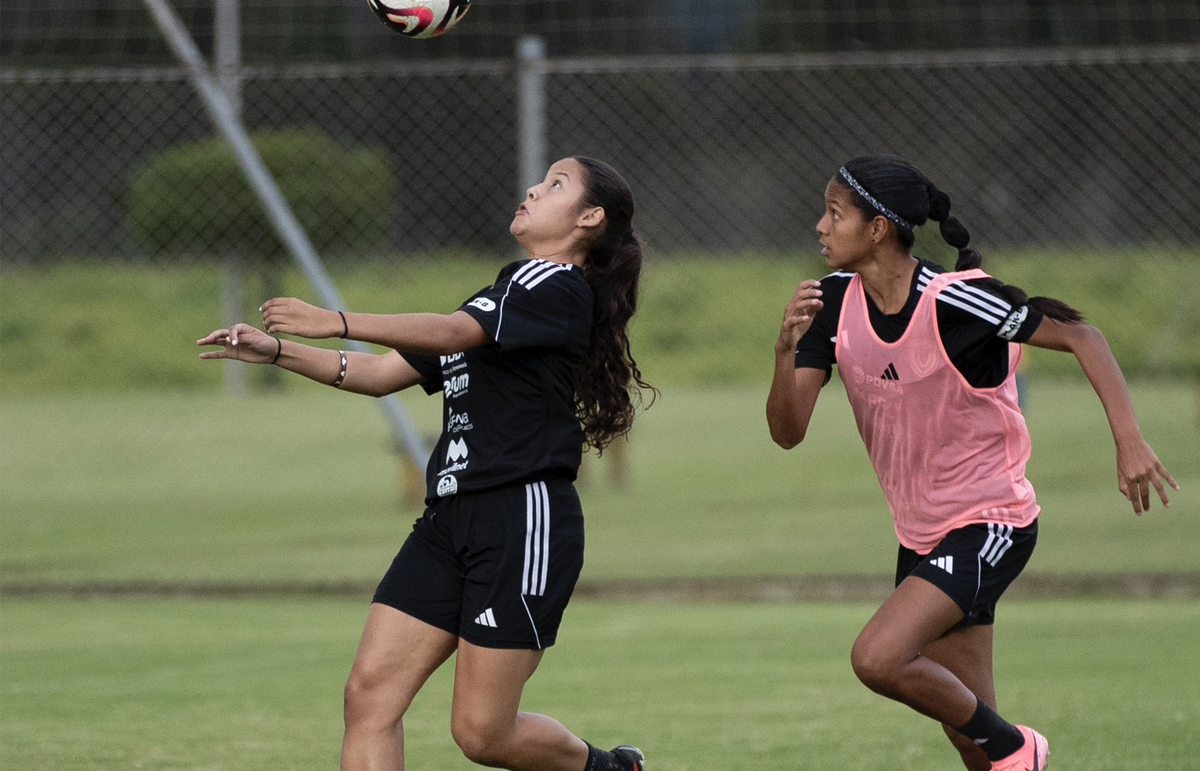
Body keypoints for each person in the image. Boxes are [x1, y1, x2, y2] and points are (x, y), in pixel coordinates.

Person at [198, 156, 655, 771]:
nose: (531, 188)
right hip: (448, 521)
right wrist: (279, 351)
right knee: (369, 697)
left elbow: (448, 332)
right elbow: (383, 373)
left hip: (520, 520)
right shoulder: (503, 293)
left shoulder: (553, 287)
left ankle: (606, 768)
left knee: (482, 735)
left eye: (555, 185)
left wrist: (334, 321)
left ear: (589, 218)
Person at [765, 154, 1178, 771]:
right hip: (921, 533)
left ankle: (1021, 746)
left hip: (993, 522)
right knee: (970, 738)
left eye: (834, 213)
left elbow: (1082, 337)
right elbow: (787, 432)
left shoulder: (956, 301)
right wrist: (784, 350)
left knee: (877, 658)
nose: (820, 227)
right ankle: (1008, 751)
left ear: (878, 228)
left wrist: (1130, 440)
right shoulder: (829, 304)